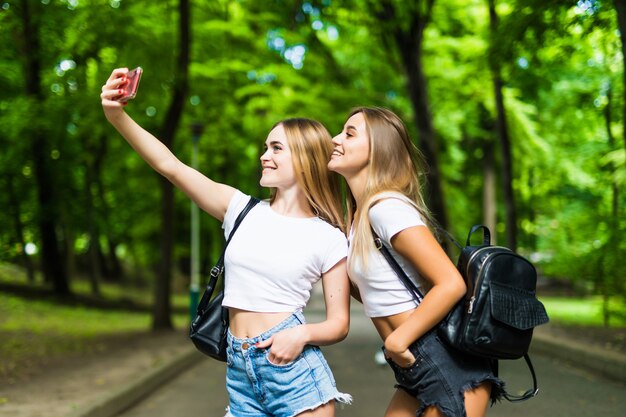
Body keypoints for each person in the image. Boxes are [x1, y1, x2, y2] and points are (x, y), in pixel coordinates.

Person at [101, 68, 352, 417]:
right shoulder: (241, 209)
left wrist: (300, 335)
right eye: (266, 147)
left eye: (276, 148)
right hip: (239, 373)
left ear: (305, 159)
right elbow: (170, 165)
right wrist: (117, 115)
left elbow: (338, 323)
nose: (264, 155)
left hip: (294, 375)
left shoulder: (328, 237)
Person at [328, 106, 504, 417]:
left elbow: (451, 283)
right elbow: (375, 291)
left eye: (349, 133)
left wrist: (397, 341)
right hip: (416, 370)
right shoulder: (358, 220)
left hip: (445, 365)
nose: (334, 139)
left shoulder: (387, 209)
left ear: (378, 151)